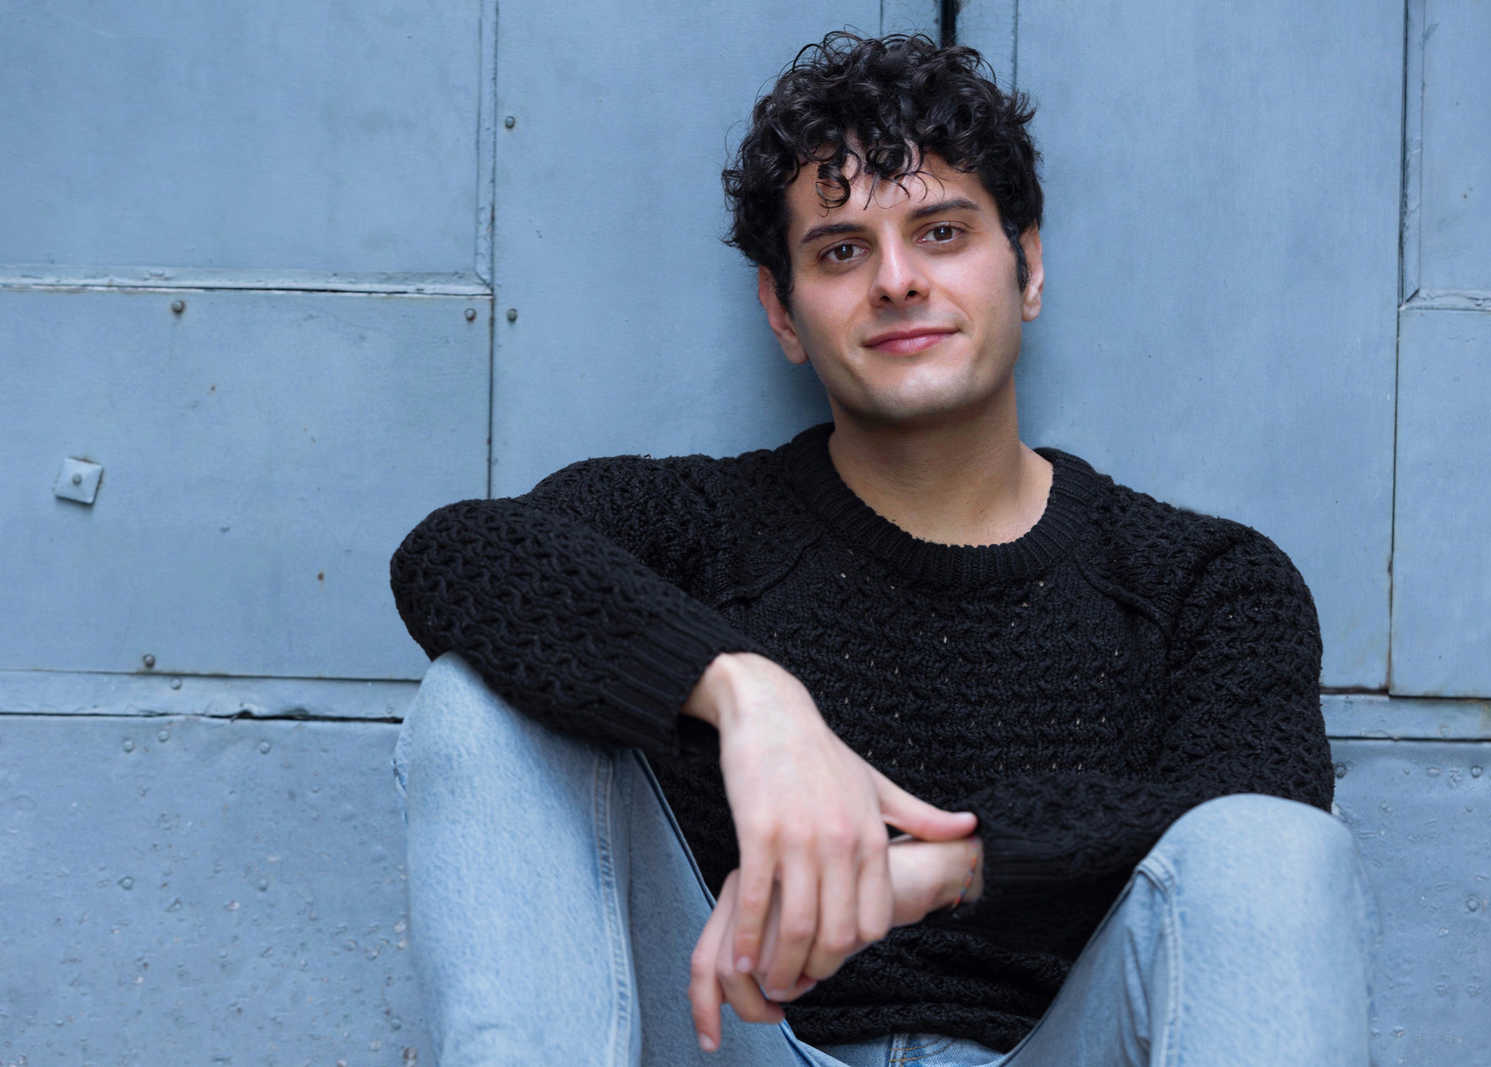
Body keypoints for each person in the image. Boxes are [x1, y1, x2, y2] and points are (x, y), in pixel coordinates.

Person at [388, 31, 1376, 1067]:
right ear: (782, 311)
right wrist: (747, 695)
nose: (897, 281)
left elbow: (1259, 805)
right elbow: (455, 554)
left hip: (1060, 1047)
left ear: (1028, 267)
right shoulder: (697, 522)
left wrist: (945, 866)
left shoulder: (1202, 579)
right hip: (734, 1038)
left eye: (941, 232)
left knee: (1271, 843)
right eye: (841, 250)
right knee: (479, 701)